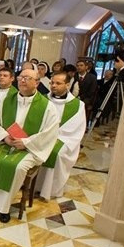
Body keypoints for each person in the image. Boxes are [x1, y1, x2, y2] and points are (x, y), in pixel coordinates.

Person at [0, 69, 59, 223]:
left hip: (29, 148)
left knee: (16, 167)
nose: (22, 80)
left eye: (27, 78)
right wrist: (4, 137)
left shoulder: (48, 107)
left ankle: (3, 208)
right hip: (4, 142)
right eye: (21, 77)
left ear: (37, 83)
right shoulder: (6, 101)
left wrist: (26, 142)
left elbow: (49, 133)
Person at [35, 72, 86, 200]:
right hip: (42, 136)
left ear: (67, 85)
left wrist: (53, 137)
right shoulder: (42, 100)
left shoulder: (78, 105)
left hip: (64, 138)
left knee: (56, 153)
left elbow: (75, 128)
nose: (53, 86)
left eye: (58, 83)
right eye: (52, 82)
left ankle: (50, 190)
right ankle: (33, 185)